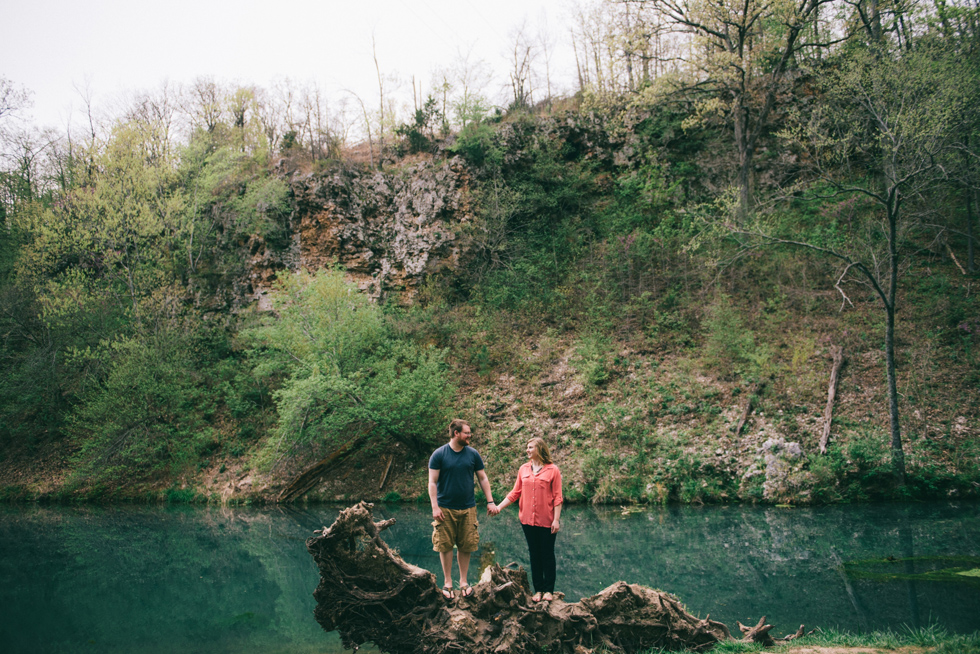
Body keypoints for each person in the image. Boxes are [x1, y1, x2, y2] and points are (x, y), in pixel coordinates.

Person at [428, 419, 499, 599]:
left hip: (468, 508)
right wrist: (435, 507)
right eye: (467, 432)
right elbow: (432, 482)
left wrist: (490, 501)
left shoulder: (473, 454)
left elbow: (483, 478)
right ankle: (447, 583)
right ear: (456, 433)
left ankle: (464, 582)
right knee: (445, 545)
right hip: (444, 509)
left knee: (466, 545)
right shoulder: (439, 454)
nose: (470, 435)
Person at [495, 437, 563, 602]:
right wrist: (498, 507)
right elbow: (514, 493)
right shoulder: (523, 469)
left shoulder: (553, 470)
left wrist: (556, 520)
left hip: (547, 520)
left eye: (530, 447)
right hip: (527, 520)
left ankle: (549, 591)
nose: (527, 450)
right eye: (527, 447)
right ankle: (538, 590)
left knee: (547, 554)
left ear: (539, 449)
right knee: (534, 554)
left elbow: (557, 497)